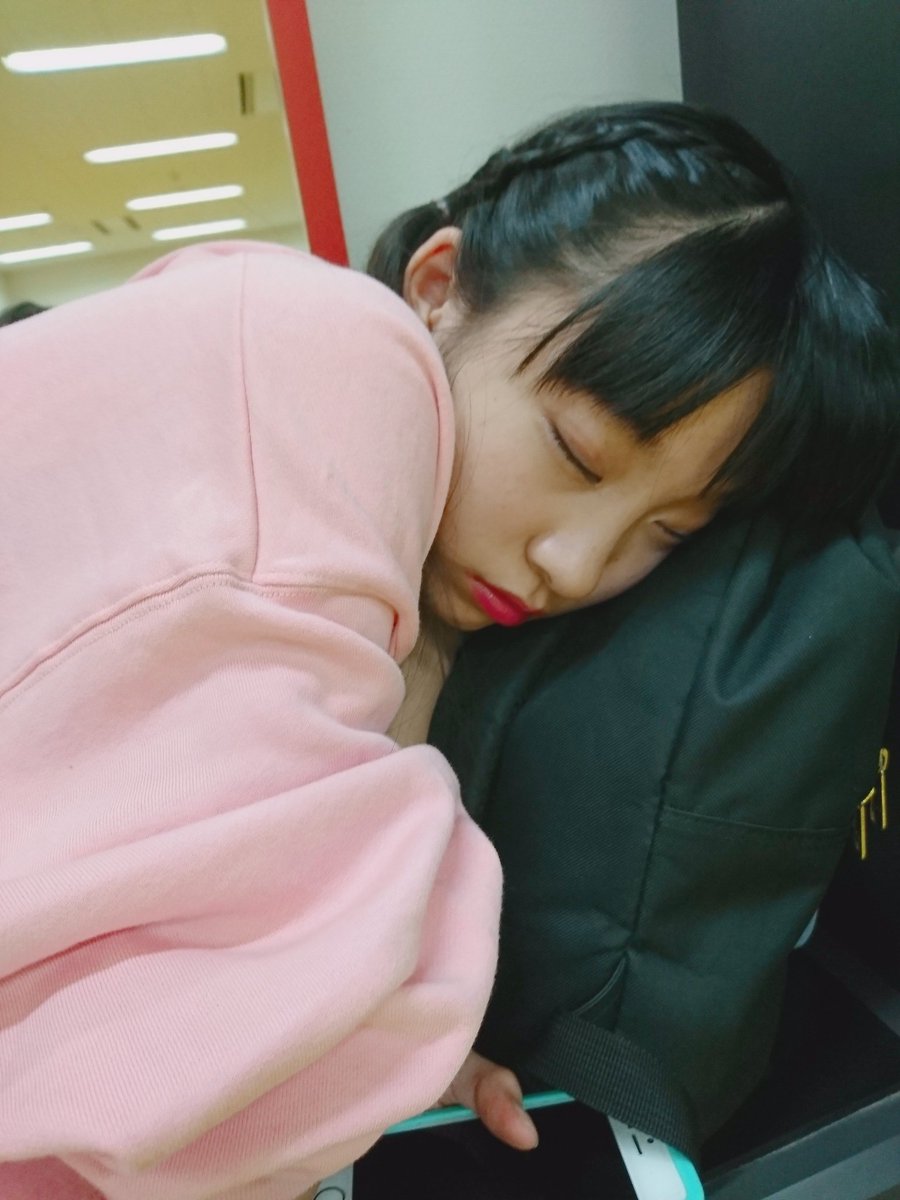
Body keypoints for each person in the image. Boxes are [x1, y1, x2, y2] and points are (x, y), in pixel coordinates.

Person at [0, 101, 896, 1200]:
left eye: (664, 534)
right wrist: (373, 1032)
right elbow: (168, 1057)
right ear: (437, 287)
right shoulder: (330, 346)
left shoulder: (408, 597)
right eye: (576, 452)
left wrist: (378, 1056)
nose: (575, 564)